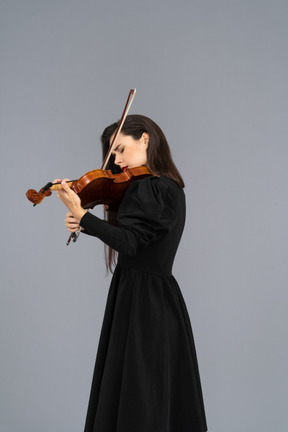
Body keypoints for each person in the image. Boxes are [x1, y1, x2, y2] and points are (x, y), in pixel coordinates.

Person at [56, 114, 207, 432]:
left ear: (146, 140)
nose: (118, 160)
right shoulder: (167, 188)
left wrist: (83, 215)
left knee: (139, 396)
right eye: (114, 155)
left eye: (122, 149)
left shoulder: (152, 189)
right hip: (153, 297)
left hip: (144, 302)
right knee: (145, 393)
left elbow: (131, 242)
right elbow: (135, 235)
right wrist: (88, 221)